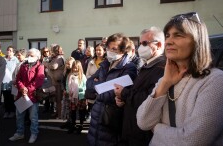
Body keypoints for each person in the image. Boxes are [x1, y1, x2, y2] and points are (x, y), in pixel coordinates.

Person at [136, 12, 223, 146]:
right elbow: (143, 122)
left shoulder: (215, 81)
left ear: (197, 40)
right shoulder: (167, 78)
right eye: (167, 35)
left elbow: (192, 141)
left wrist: (157, 128)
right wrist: (165, 83)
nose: (169, 41)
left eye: (178, 35)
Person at [114, 27, 166, 146]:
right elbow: (137, 91)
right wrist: (123, 100)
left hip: (142, 134)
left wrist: (124, 93)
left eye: (144, 43)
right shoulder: (148, 65)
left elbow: (149, 98)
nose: (140, 48)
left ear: (158, 45)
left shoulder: (162, 68)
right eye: (140, 43)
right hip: (132, 128)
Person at [87, 33, 137, 146]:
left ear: (123, 51)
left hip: (111, 118)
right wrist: (102, 87)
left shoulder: (129, 68)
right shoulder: (105, 64)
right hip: (96, 115)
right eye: (108, 48)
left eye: (114, 49)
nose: (110, 51)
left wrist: (97, 88)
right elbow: (88, 82)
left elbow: (116, 93)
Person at [9, 48, 45, 144]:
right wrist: (22, 88)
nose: (29, 57)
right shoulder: (23, 65)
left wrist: (27, 89)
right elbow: (18, 78)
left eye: (31, 55)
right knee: (19, 116)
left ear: (37, 57)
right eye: (28, 55)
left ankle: (34, 133)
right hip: (21, 95)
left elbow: (39, 80)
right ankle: (19, 133)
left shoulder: (40, 66)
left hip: (32, 96)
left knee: (33, 117)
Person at [43, 45, 65, 119]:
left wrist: (46, 64)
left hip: (58, 82)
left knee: (59, 99)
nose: (51, 52)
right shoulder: (54, 58)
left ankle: (59, 115)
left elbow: (53, 66)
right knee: (55, 99)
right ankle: (57, 113)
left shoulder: (60, 58)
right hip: (53, 81)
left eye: (53, 50)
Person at [85, 43, 106, 120]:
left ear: (104, 51)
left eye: (99, 50)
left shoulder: (107, 62)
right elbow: (87, 75)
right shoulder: (91, 62)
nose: (98, 52)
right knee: (92, 109)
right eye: (96, 50)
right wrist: (93, 79)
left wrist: (100, 79)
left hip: (102, 89)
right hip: (92, 89)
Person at [67, 60, 87, 134]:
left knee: (81, 111)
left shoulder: (82, 76)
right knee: (73, 111)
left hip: (81, 96)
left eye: (76, 68)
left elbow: (85, 86)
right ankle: (73, 124)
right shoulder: (70, 76)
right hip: (72, 97)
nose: (75, 69)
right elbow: (67, 84)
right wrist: (69, 91)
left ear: (79, 68)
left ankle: (81, 124)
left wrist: (79, 89)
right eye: (74, 68)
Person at [2, 46, 19, 118]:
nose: (8, 51)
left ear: (13, 52)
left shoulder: (16, 60)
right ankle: (6, 111)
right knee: (5, 97)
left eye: (10, 50)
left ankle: (12, 111)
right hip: (4, 81)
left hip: (12, 81)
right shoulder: (4, 59)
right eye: (8, 50)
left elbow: (17, 70)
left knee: (12, 97)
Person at [60, 57, 75, 129]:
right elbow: (62, 81)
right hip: (66, 92)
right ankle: (68, 121)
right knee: (66, 107)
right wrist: (64, 90)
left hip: (72, 93)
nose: (67, 65)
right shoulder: (65, 71)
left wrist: (70, 91)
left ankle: (72, 122)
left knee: (72, 108)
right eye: (66, 64)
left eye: (69, 64)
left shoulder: (74, 72)